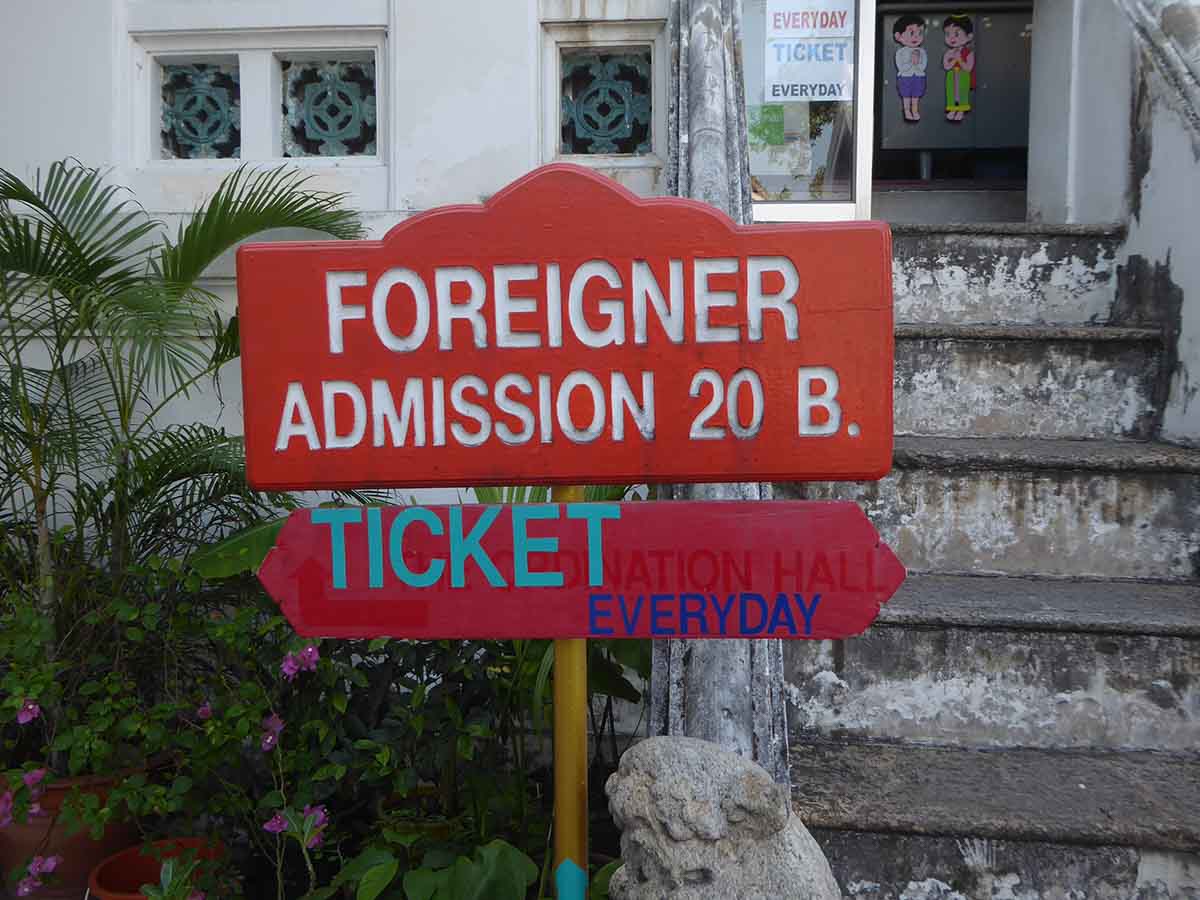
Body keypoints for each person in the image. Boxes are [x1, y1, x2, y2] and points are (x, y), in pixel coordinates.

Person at [893, 14, 928, 122]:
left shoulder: (922, 52)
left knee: (916, 95)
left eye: (920, 33)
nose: (916, 37)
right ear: (898, 36)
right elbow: (901, 67)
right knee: (906, 95)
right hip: (905, 77)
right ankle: (907, 111)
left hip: (918, 77)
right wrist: (911, 62)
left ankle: (915, 110)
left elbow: (923, 66)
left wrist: (917, 64)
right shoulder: (900, 52)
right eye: (911, 33)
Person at [942, 14, 975, 121]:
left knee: (962, 93)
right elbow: (946, 66)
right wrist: (954, 60)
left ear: (969, 36)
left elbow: (968, 68)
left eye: (956, 34)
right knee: (951, 93)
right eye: (947, 34)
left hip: (963, 75)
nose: (952, 38)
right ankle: (952, 109)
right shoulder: (948, 52)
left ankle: (960, 110)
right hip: (951, 75)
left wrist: (959, 59)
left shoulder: (969, 53)